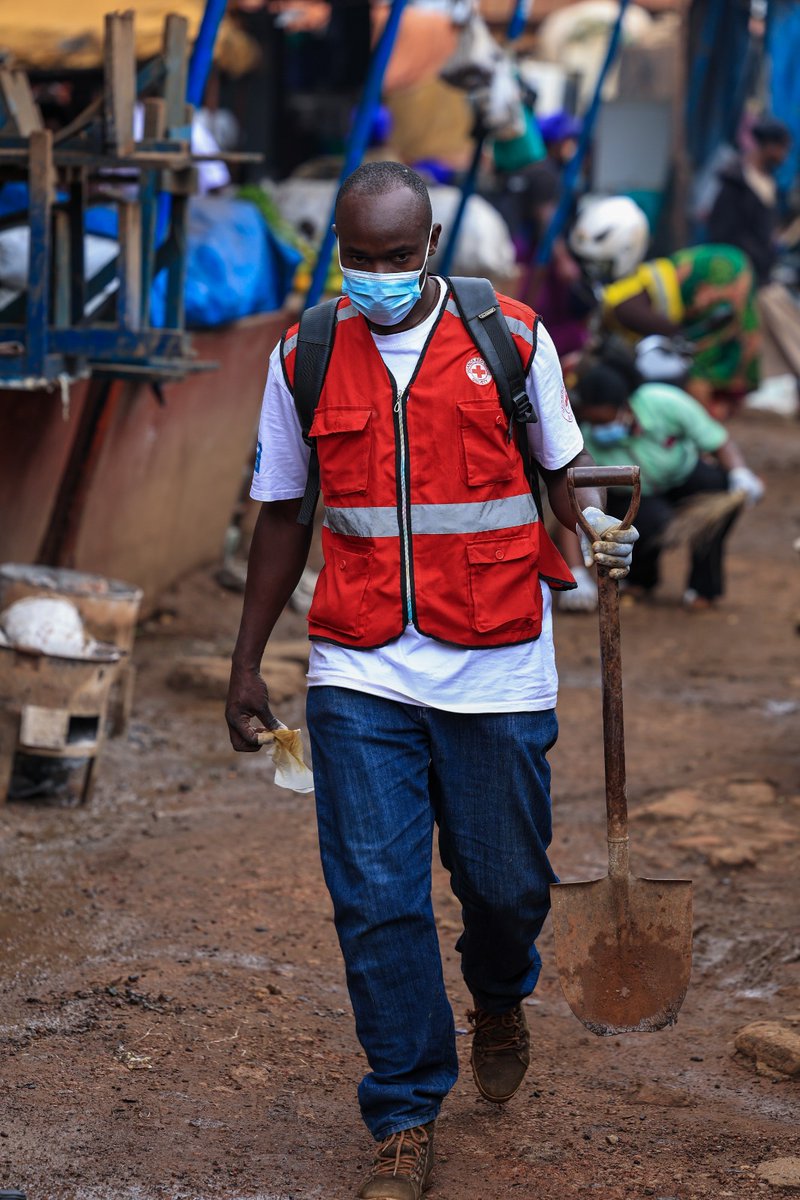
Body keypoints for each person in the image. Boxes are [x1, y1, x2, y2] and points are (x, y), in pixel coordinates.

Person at [225, 161, 638, 1200]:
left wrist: (593, 531)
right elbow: (281, 513)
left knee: (506, 889)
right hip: (359, 667)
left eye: (395, 258)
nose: (375, 278)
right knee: (373, 898)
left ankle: (499, 993)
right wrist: (244, 663)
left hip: (497, 661)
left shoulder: (513, 339)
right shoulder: (305, 355)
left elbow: (563, 469)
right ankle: (404, 1106)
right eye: (355, 260)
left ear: (432, 245)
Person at [574, 360, 764, 610]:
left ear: (625, 405)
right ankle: (640, 578)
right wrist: (576, 572)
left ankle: (702, 589)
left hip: (683, 473)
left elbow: (717, 439)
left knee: (717, 491)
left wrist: (740, 473)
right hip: (636, 497)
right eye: (594, 422)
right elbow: (576, 496)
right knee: (649, 524)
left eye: (605, 420)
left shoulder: (662, 401)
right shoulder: (583, 438)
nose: (600, 428)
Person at [570, 195, 761, 416]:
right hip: (719, 267)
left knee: (702, 368)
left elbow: (678, 337)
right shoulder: (622, 297)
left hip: (723, 276)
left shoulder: (623, 308)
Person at [707, 116, 800, 387]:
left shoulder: (765, 182)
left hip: (761, 273)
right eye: (781, 148)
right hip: (743, 274)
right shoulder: (735, 182)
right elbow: (724, 232)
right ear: (768, 146)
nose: (783, 156)